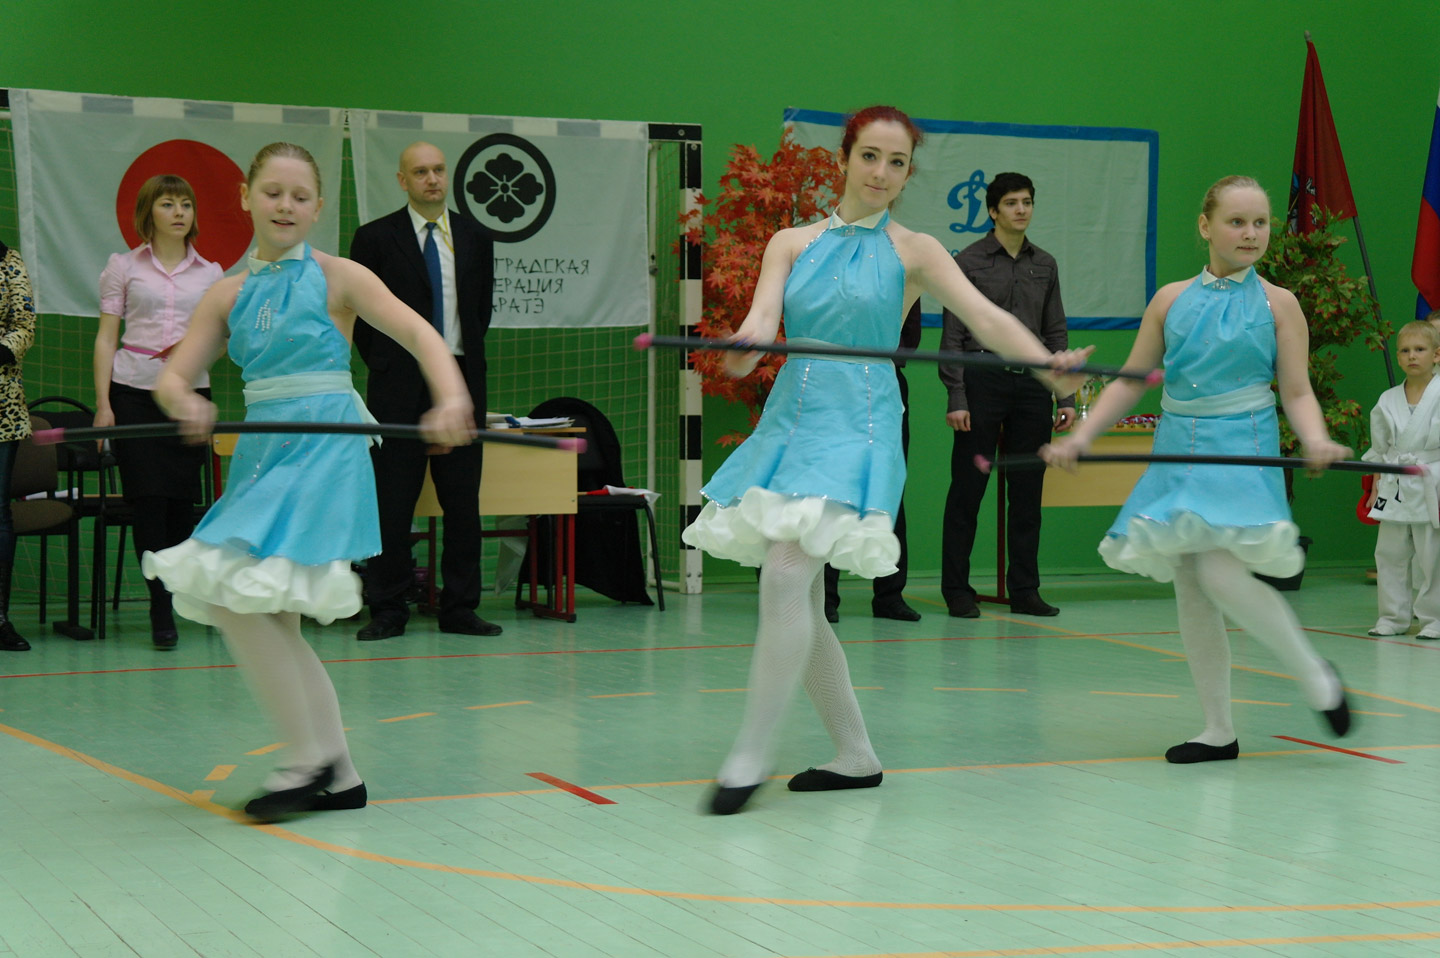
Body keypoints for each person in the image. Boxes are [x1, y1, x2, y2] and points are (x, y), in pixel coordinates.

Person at [682, 106, 1091, 814]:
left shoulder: (916, 250)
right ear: (845, 158)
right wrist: (743, 350)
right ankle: (855, 755)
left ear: (908, 174)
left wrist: (1049, 366)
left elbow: (988, 319)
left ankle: (750, 753)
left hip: (862, 422)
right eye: (870, 156)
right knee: (798, 593)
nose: (881, 172)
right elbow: (760, 324)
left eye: (897, 162)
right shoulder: (789, 242)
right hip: (793, 420)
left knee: (786, 575)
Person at [142, 142, 474, 821]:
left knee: (238, 600)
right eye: (272, 192)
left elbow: (423, 335)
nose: (285, 205)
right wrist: (185, 402)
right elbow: (172, 377)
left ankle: (305, 761)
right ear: (245, 197)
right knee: (270, 614)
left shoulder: (339, 277)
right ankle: (339, 774)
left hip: (324, 449)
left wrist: (451, 398)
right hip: (263, 456)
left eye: (299, 196)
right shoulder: (226, 293)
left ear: (318, 207)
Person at [1042, 175, 1352, 763]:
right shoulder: (1169, 299)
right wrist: (1080, 436)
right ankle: (1217, 728)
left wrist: (1315, 438)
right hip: (1178, 445)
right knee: (1191, 585)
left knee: (1220, 574)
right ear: (1206, 226)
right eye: (1237, 222)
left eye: (1259, 222)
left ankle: (1314, 673)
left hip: (1241, 445)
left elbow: (1296, 390)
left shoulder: (1280, 304)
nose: (1250, 233)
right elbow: (1132, 381)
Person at [349, 142, 498, 641]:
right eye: (420, 172)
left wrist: (456, 371)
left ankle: (460, 608)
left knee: (463, 503)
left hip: (462, 381)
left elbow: (479, 312)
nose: (431, 179)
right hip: (397, 386)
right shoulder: (375, 238)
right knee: (392, 504)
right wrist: (388, 366)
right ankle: (388, 608)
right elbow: (362, 321)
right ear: (402, 180)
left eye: (437, 170)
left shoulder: (477, 236)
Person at [94, 175, 224, 649]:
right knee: (147, 500)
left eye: (186, 204)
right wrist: (104, 405)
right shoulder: (123, 266)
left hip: (189, 395)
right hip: (132, 394)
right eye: (168, 204)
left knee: (179, 504)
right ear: (148, 212)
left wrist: (194, 355)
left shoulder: (211, 273)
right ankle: (159, 606)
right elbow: (107, 337)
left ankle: (177, 591)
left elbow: (221, 337)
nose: (179, 212)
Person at [940, 172, 1074, 619]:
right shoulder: (968, 262)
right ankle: (957, 590)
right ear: (993, 211)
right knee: (968, 490)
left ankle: (1025, 590)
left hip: (1033, 386)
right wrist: (957, 395)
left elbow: (1055, 332)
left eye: (1027, 202)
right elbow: (953, 334)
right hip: (982, 381)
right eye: (1012, 203)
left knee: (1027, 492)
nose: (1021, 210)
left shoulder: (1046, 264)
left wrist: (1064, 397)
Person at [823, 300, 922, 623]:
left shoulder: (902, 271)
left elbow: (910, 336)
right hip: (835, 382)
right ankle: (824, 596)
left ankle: (890, 595)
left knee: (889, 486)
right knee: (831, 489)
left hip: (886, 381)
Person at [1362, 321, 1440, 638]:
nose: (1412, 356)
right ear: (1397, 357)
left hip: (1432, 480)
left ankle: (1434, 619)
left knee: (1431, 556)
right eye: (1405, 351)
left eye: (1419, 349)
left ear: (1436, 354)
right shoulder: (1387, 399)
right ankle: (1392, 617)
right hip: (1394, 483)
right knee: (1389, 553)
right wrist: (1376, 485)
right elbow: (1380, 449)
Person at [0, 239, 36, 652]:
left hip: (2, 408)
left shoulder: (9, 262)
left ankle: (0, 618)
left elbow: (25, 325)